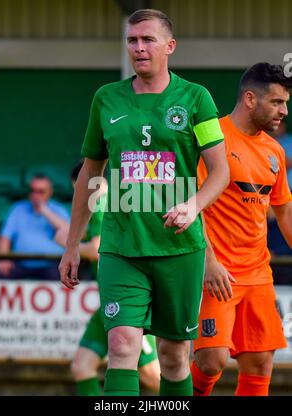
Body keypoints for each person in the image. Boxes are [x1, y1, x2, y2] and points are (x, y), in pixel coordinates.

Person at [59, 8, 229, 396]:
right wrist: (72, 244)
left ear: (170, 46)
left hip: (179, 249)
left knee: (172, 356)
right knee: (121, 346)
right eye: (132, 40)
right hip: (122, 247)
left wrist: (193, 206)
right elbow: (90, 173)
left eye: (147, 39)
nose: (138, 47)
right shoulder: (106, 99)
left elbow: (220, 172)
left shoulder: (196, 98)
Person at [191, 62, 292, 396]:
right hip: (216, 270)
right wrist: (208, 262)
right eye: (277, 102)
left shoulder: (274, 150)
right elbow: (193, 205)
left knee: (261, 363)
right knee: (211, 361)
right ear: (250, 99)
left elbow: (284, 209)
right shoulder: (212, 140)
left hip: (258, 274)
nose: (284, 111)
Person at [55, 160, 160, 395]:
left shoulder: (102, 204)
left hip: (126, 302)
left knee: (154, 377)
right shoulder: (107, 202)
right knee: (82, 366)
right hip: (108, 304)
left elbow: (96, 249)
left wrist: (67, 242)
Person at [0, 174, 69, 280]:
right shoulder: (18, 209)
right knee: (0, 273)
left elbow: (70, 233)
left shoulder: (58, 210)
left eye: (41, 191)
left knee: (64, 277)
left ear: (50, 192)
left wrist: (44, 210)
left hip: (52, 265)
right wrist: (3, 259)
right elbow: (5, 237)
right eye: (33, 191)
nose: (36, 195)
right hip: (22, 264)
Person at [272, 120, 292, 189]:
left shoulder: (290, 140)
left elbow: (288, 162)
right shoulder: (264, 139)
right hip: (270, 186)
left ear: (284, 126)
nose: (278, 127)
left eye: (280, 125)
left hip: (288, 187)